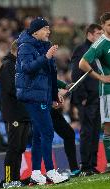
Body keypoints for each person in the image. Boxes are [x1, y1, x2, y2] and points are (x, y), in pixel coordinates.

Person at [15, 17, 68, 185]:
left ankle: (36, 172)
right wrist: (45, 57)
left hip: (42, 96)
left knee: (39, 135)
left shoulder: (45, 46)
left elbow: (51, 74)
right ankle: (51, 171)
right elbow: (27, 68)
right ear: (35, 31)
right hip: (32, 96)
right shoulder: (25, 47)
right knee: (47, 132)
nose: (48, 31)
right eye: (45, 28)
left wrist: (54, 95)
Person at [79, 12, 110, 173]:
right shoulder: (100, 44)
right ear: (103, 26)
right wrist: (100, 77)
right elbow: (82, 63)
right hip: (109, 91)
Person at [70, 23, 103, 176]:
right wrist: (81, 96)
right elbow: (76, 74)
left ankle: (92, 164)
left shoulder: (98, 50)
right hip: (87, 98)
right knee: (87, 132)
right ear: (89, 34)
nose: (100, 36)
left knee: (95, 131)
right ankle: (85, 165)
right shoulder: (81, 50)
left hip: (98, 96)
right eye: (98, 33)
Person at [0, 40, 31, 187]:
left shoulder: (19, 66)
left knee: (20, 148)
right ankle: (7, 180)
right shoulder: (7, 66)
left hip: (23, 112)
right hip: (13, 113)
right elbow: (10, 89)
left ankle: (15, 178)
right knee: (13, 148)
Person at [52, 80, 80, 177]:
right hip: (39, 107)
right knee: (42, 139)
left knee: (69, 134)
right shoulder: (36, 67)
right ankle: (44, 172)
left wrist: (65, 85)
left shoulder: (47, 66)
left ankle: (74, 168)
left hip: (50, 108)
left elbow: (50, 77)